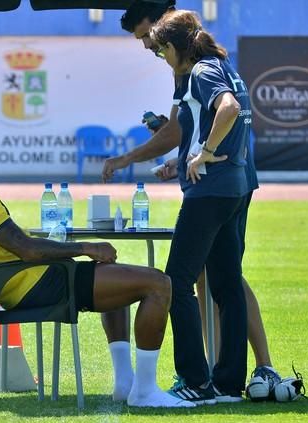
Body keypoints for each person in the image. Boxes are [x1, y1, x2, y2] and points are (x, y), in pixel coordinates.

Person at [0, 123, 194, 408]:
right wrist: (85, 248)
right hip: (35, 283)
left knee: (119, 275)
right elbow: (26, 249)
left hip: (5, 284)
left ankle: (124, 382)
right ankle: (144, 391)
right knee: (158, 283)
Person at [105, 1, 281, 401]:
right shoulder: (220, 66)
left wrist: (202, 153)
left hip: (210, 192)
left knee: (176, 284)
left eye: (161, 48)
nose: (157, 54)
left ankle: (196, 383)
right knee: (225, 284)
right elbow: (206, 118)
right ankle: (228, 384)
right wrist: (185, 158)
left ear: (177, 44)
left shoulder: (200, 70)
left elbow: (229, 109)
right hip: (234, 188)